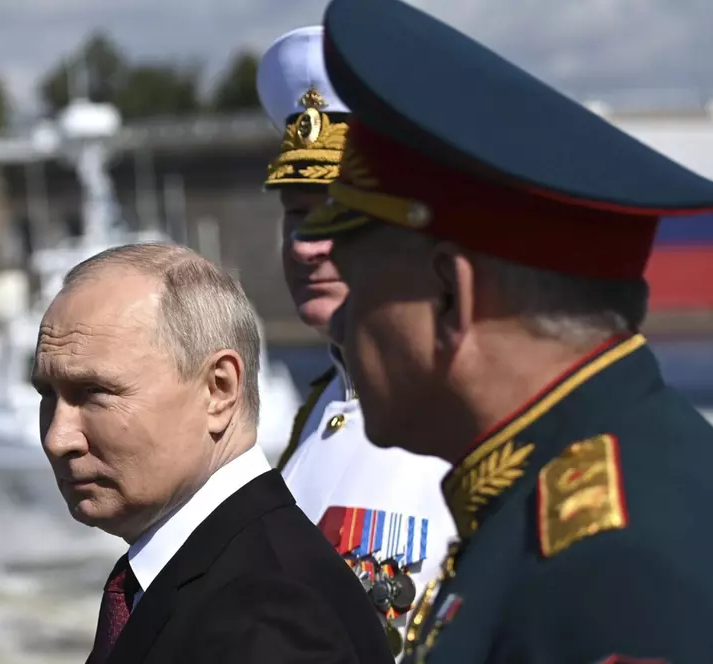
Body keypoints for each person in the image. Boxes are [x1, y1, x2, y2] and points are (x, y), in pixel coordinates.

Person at [294, 0, 713, 662]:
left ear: (450, 296)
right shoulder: (574, 495)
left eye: (359, 287)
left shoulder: (605, 569)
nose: (345, 319)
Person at [32, 242, 393, 664]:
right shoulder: (192, 579)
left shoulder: (270, 619)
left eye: (94, 393)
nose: (58, 438)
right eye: (47, 394)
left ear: (218, 389)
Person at [255, 25, 457, 658]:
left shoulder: (465, 422)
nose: (306, 244)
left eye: (339, 213)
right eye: (296, 213)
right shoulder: (318, 412)